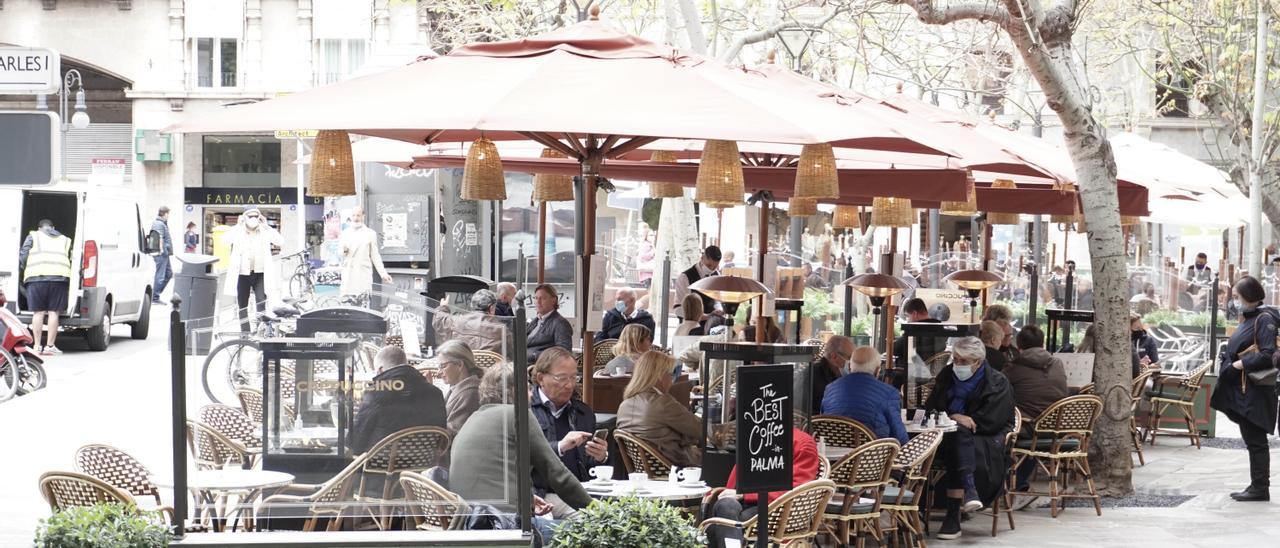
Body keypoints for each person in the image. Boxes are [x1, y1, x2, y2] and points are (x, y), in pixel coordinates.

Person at [450, 363, 591, 543]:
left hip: (474, 524)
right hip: (505, 526)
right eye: (528, 389)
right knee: (592, 532)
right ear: (516, 390)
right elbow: (557, 473)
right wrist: (599, 512)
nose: (532, 395)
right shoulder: (517, 415)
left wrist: (526, 497)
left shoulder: (474, 418)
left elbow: (488, 473)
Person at [923, 336, 1015, 540]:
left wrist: (959, 422)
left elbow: (992, 420)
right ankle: (969, 491)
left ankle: (953, 516)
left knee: (960, 438)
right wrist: (955, 417)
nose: (957, 365)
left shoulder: (997, 382)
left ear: (978, 362)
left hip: (986, 437)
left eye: (963, 361)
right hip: (946, 435)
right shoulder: (947, 375)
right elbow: (931, 407)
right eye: (955, 359)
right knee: (958, 436)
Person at [1209, 276, 1277, 502]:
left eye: (1236, 296)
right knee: (1252, 439)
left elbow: (1267, 355)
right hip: (1245, 390)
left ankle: (1260, 487)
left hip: (1254, 391)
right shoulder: (1250, 317)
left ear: (1248, 297)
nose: (1234, 301)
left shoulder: (1264, 319)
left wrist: (1240, 364)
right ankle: (1257, 485)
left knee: (1256, 440)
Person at [704, 426, 820, 548]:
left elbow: (797, 489)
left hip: (777, 508)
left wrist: (744, 494)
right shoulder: (757, 436)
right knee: (724, 506)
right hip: (746, 503)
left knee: (716, 528)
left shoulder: (802, 442)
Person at [531, 347, 608, 517]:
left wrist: (600, 457)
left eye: (574, 377)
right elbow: (520, 456)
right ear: (541, 378)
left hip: (577, 493)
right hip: (538, 493)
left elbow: (590, 469)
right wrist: (559, 446)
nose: (569, 385)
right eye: (562, 378)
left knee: (606, 521)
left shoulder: (583, 413)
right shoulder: (526, 410)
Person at [350, 346, 447, 454]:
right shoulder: (435, 393)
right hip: (421, 465)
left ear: (380, 370)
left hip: (378, 465)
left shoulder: (375, 393)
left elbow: (356, 441)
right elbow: (440, 438)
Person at [616, 351, 702, 467]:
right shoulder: (663, 403)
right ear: (660, 375)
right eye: (671, 375)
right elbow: (700, 430)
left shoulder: (624, 406)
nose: (672, 381)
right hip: (676, 468)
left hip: (642, 470)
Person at [821, 345, 908, 443]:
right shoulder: (889, 393)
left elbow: (823, 421)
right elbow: (899, 436)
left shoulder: (830, 389)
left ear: (849, 367)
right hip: (872, 454)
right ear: (877, 371)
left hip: (833, 452)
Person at [224, 206, 284, 332]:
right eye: (250, 216)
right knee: (242, 305)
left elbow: (280, 241)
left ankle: (260, 330)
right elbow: (224, 240)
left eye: (256, 216)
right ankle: (245, 333)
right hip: (242, 273)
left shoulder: (264, 231)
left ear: (259, 217)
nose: (253, 219)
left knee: (261, 302)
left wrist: (267, 226)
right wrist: (237, 225)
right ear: (245, 217)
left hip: (260, 273)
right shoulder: (238, 231)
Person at [18, 219, 72, 356]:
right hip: (59, 278)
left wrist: (23, 269)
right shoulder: (65, 239)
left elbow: (23, 256)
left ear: (39, 228)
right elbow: (71, 258)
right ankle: (50, 346)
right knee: (54, 312)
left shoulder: (33, 236)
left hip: (36, 278)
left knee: (38, 312)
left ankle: (36, 346)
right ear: (53, 227)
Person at [339, 207, 393, 302]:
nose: (356, 218)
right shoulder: (345, 233)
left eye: (358, 215)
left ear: (363, 216)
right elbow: (340, 253)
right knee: (347, 308)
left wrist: (383, 274)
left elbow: (375, 256)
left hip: (362, 275)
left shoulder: (370, 234)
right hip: (348, 275)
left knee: (363, 305)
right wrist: (344, 250)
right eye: (354, 215)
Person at [431, 289, 510, 353]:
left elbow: (439, 321)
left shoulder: (456, 322)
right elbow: (512, 354)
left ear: (472, 305)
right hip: (489, 372)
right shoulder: (501, 330)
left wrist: (443, 307)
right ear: (491, 308)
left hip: (464, 370)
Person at [892, 298, 945, 387]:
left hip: (912, 377)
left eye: (907, 316)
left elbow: (895, 349)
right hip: (933, 375)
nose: (907, 320)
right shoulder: (940, 328)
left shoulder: (914, 329)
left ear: (915, 314)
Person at [436, 340, 482, 435]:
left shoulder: (470, 394)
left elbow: (452, 435)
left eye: (443, 366)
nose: (438, 373)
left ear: (460, 365)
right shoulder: (457, 388)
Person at [527, 284, 573, 364]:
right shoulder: (534, 321)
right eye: (536, 298)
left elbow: (564, 353)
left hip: (539, 368)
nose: (538, 301)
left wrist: (534, 355)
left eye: (543, 298)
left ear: (553, 300)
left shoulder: (560, 323)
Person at [674, 245, 722, 321]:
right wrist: (699, 316)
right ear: (702, 258)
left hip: (710, 324)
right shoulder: (685, 277)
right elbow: (678, 309)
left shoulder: (717, 275)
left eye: (714, 267)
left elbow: (717, 300)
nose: (711, 269)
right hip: (690, 325)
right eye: (709, 265)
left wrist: (718, 309)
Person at [810, 335, 853, 415]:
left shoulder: (836, 375)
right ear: (834, 357)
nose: (851, 363)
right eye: (849, 357)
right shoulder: (812, 377)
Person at [151, 206, 174, 305]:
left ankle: (155, 294)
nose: (169, 216)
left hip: (165, 253)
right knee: (160, 275)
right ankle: (155, 297)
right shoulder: (158, 224)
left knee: (169, 274)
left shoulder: (162, 223)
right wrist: (163, 250)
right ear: (164, 214)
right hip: (161, 254)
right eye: (168, 214)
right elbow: (159, 238)